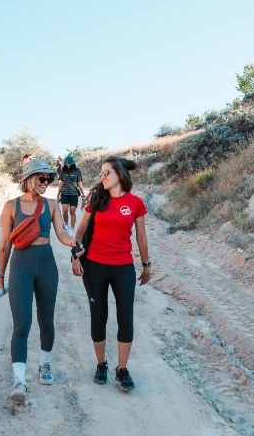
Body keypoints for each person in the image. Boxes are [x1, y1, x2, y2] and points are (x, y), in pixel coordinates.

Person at [0, 158, 84, 404]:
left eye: (49, 179)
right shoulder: (11, 206)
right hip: (20, 265)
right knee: (21, 325)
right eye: (41, 178)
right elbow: (4, 245)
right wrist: (0, 277)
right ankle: (19, 381)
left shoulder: (52, 204)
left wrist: (73, 243)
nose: (46, 183)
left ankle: (45, 366)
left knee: (46, 319)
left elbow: (62, 234)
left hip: (46, 264)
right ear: (29, 179)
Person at [72, 156, 151, 392]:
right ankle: (101, 364)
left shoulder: (135, 203)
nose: (102, 177)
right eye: (101, 173)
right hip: (94, 266)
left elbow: (141, 237)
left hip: (123, 267)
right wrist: (75, 256)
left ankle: (122, 369)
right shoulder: (96, 200)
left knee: (125, 317)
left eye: (107, 173)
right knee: (99, 315)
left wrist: (146, 265)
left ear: (120, 175)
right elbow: (80, 232)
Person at [56, 155, 85, 238]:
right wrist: (58, 194)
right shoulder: (62, 170)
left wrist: (83, 194)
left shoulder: (77, 171)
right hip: (64, 193)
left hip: (73, 194)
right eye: (66, 164)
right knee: (64, 210)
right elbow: (61, 183)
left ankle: (72, 230)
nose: (68, 165)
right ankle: (66, 225)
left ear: (73, 163)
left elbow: (79, 183)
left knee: (72, 211)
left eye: (69, 164)